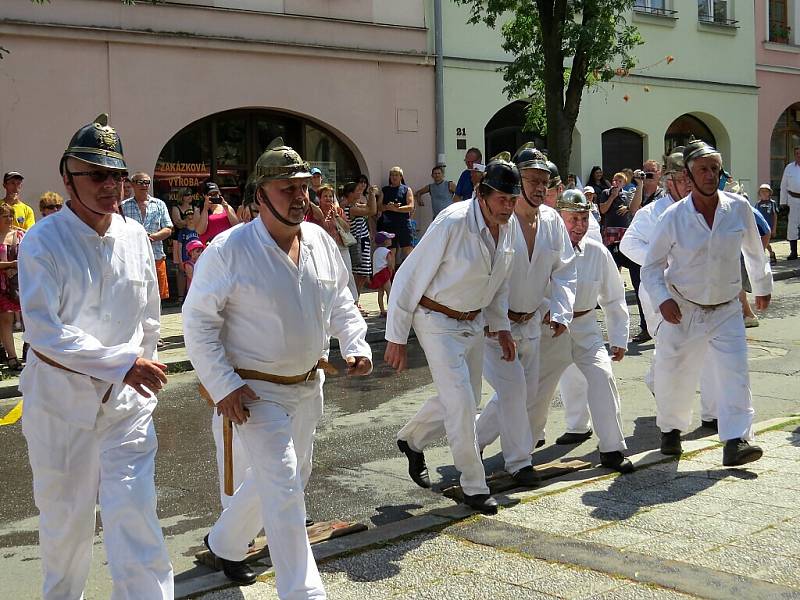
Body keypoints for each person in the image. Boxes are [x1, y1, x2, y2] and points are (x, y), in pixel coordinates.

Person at [183, 137, 371, 597]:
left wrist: (355, 342)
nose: (299, 196)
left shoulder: (322, 244)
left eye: (303, 186)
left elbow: (342, 300)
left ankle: (225, 542)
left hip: (309, 384)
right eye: (286, 187)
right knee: (286, 485)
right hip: (252, 392)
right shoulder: (228, 249)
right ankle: (304, 592)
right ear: (259, 195)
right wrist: (223, 384)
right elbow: (197, 322)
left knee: (293, 472)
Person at [18, 114, 173, 599]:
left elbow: (149, 316)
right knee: (67, 528)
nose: (110, 186)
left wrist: (139, 371)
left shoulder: (134, 237)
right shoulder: (44, 240)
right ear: (67, 178)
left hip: (126, 411)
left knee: (137, 519)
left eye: (117, 175)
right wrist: (123, 365)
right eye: (97, 175)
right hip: (61, 410)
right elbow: (45, 333)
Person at [386, 157, 519, 515]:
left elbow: (499, 283)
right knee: (461, 402)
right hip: (435, 318)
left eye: (512, 200)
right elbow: (408, 276)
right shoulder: (453, 222)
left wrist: (502, 326)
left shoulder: (508, 228)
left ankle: (411, 439)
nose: (508, 207)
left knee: (460, 398)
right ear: (481, 193)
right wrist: (396, 336)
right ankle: (474, 485)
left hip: (473, 321)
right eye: (502, 199)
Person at [641, 140, 772, 466]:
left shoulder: (738, 207)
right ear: (688, 174)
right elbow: (650, 267)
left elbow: (754, 251)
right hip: (682, 310)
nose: (711, 175)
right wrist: (662, 299)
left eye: (715, 168)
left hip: (727, 308)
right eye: (703, 169)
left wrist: (762, 285)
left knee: (735, 373)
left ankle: (737, 439)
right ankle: (671, 432)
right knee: (674, 375)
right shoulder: (673, 217)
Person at [475, 146, 576, 481]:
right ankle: (519, 463)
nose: (539, 187)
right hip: (495, 326)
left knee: (522, 394)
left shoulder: (551, 222)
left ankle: (471, 441)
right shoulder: (500, 221)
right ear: (517, 180)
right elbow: (489, 276)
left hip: (532, 322)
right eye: (532, 179)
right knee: (516, 392)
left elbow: (564, 270)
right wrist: (495, 322)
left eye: (544, 181)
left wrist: (560, 310)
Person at [532, 190, 633, 473]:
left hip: (587, 327)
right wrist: (545, 309)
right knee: (534, 389)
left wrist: (618, 338)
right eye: (572, 219)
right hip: (551, 330)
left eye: (584, 218)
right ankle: (508, 447)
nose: (579, 225)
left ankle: (612, 449)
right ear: (558, 219)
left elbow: (614, 298)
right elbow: (527, 291)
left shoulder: (597, 252)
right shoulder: (544, 251)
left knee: (603, 377)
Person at [121, 172, 174, 301]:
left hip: (155, 256)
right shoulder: (123, 206)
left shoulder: (159, 204)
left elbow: (168, 228)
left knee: (156, 297)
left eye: (147, 182)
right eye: (140, 182)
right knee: (134, 295)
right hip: (131, 258)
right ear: (133, 185)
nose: (144, 185)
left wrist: (151, 237)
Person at [317, 184, 359, 302]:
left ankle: (354, 301)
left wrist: (336, 217)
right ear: (319, 198)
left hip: (341, 247)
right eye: (325, 196)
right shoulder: (315, 211)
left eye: (330, 196)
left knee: (347, 274)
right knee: (329, 275)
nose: (328, 199)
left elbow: (347, 228)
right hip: (324, 249)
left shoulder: (338, 210)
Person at [340, 181, 376, 309]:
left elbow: (371, 208)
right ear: (350, 193)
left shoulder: (354, 205)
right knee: (359, 274)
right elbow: (372, 210)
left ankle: (356, 301)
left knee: (362, 274)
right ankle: (354, 302)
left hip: (362, 243)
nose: (360, 192)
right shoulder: (352, 208)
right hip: (358, 244)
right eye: (357, 190)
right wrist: (372, 194)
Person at [0, 204, 24, 371]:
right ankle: (12, 357)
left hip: (20, 283)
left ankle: (33, 352)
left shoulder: (20, 235)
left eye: (11, 216)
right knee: (6, 319)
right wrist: (10, 264)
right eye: (5, 216)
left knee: (27, 319)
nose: (9, 219)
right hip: (1, 285)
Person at [379, 166, 415, 261]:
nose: (394, 177)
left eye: (396, 175)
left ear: (401, 176)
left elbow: (410, 206)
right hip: (388, 225)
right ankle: (391, 275)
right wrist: (387, 207)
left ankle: (411, 274)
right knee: (390, 252)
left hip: (404, 225)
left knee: (408, 250)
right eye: (392, 175)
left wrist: (396, 209)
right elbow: (379, 207)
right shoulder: (385, 190)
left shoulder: (407, 189)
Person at [193, 181, 239, 245]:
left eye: (216, 194)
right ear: (204, 195)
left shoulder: (226, 207)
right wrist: (205, 209)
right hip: (208, 247)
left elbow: (237, 226)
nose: (214, 196)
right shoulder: (199, 211)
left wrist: (226, 209)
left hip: (225, 245)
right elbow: (200, 231)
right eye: (211, 195)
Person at [779, 145, 800, 260]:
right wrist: (783, 203)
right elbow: (783, 186)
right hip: (793, 199)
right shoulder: (789, 168)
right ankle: (793, 252)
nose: (799, 155)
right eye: (797, 153)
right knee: (792, 225)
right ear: (794, 155)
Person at [369, 231, 395, 317]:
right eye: (389, 239)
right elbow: (390, 263)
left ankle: (382, 311)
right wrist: (391, 272)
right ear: (385, 241)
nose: (391, 240)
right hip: (384, 273)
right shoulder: (387, 251)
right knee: (389, 292)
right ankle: (390, 310)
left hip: (377, 274)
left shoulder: (376, 251)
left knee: (380, 293)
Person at [756, 183, 778, 264]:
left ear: (769, 193)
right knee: (762, 242)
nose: (764, 193)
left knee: (766, 242)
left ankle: (771, 255)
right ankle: (765, 257)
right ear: (759, 193)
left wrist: (774, 229)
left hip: (769, 227)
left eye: (766, 191)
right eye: (762, 191)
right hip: (760, 227)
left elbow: (775, 216)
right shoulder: (758, 204)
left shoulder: (772, 203)